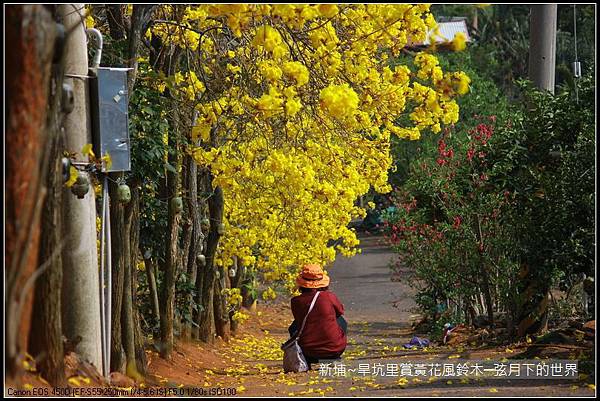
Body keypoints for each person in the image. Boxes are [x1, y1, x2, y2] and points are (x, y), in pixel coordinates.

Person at [288, 264, 347, 368]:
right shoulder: (329, 297)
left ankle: (304, 357)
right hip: (333, 350)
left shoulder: (295, 301)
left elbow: (300, 320)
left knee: (294, 326)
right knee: (340, 320)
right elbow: (340, 311)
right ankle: (332, 357)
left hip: (308, 351)